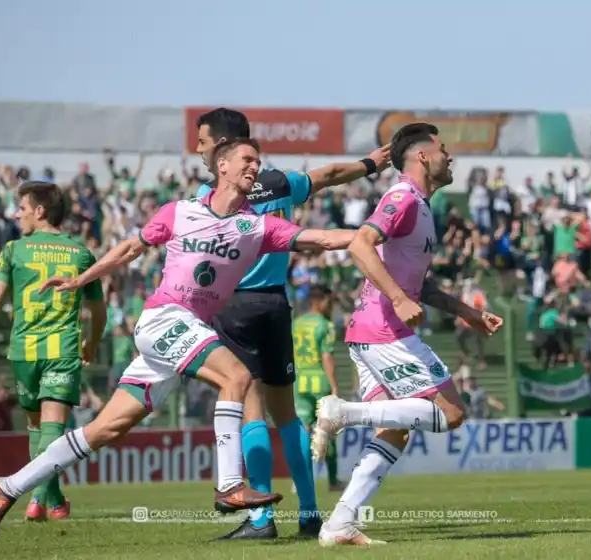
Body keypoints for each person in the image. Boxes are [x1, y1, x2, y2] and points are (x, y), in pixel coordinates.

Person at [0, 138, 357, 541]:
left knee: (104, 430)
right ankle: (230, 485)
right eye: (247, 160)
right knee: (236, 376)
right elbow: (129, 249)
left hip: (184, 333)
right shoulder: (179, 212)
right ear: (222, 166)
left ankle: (7, 487)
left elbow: (322, 238)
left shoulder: (257, 225)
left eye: (258, 162)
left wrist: (373, 232)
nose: (254, 166)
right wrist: (81, 279)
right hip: (163, 321)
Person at [193, 108, 390, 539]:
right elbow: (330, 174)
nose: (199, 148)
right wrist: (371, 164)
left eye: (204, 141)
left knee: (250, 411)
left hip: (234, 307)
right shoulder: (279, 182)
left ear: (224, 146)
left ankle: (261, 519)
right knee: (287, 416)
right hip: (276, 304)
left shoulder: (214, 193)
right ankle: (309, 512)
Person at [311, 123, 504, 546]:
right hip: (385, 331)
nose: (450, 157)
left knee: (394, 431)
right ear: (422, 157)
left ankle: (340, 524)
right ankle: (344, 414)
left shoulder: (421, 205)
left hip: (369, 331)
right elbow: (361, 243)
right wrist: (398, 299)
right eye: (443, 150)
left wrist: (468, 314)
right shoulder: (402, 198)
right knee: (452, 413)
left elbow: (423, 287)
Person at [0, 181, 107, 522]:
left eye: (22, 208)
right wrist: (93, 341)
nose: (17, 214)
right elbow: (99, 312)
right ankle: (41, 498)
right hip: (61, 349)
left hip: (23, 351)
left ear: (40, 211)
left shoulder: (13, 250)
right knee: (52, 430)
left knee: (36, 428)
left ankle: (50, 503)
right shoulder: (81, 253)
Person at [292, 285, 344, 492]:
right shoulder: (326, 325)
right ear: (320, 301)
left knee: (303, 432)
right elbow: (327, 356)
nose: (330, 306)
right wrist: (334, 387)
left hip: (300, 380)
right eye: (329, 302)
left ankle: (299, 481)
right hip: (319, 380)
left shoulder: (297, 323)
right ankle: (333, 481)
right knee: (327, 431)